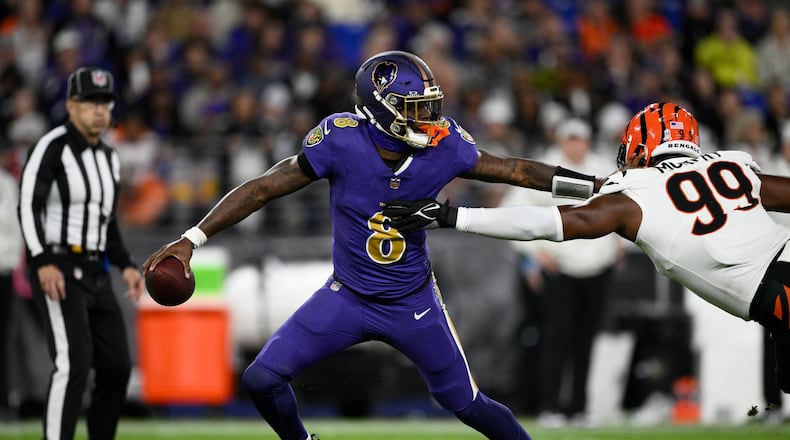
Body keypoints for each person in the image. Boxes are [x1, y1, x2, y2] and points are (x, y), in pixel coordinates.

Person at [144, 50, 607, 440]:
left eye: (429, 105)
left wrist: (593, 187)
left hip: (413, 301)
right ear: (379, 109)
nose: (427, 117)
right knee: (262, 379)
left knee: (466, 404)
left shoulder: (446, 145)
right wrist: (191, 238)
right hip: (348, 296)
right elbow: (265, 186)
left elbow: (516, 171)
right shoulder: (341, 140)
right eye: (414, 107)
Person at [383, 101, 790, 401]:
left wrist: (453, 217)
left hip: (776, 293)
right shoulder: (732, 166)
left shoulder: (634, 196)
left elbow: (549, 224)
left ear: (639, 145)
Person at [17, 67, 145, 440]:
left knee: (117, 367)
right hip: (58, 265)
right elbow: (28, 207)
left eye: (105, 102)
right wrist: (41, 261)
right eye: (90, 102)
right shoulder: (51, 147)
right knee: (73, 362)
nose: (99, 110)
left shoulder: (109, 157)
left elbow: (107, 222)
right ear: (71, 106)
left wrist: (124, 264)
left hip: (96, 269)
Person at [499, 118, 623, 427]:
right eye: (570, 139)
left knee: (586, 339)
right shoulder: (546, 168)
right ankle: (551, 406)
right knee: (555, 338)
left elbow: (625, 207)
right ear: (561, 141)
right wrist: (533, 254)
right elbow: (512, 210)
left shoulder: (602, 169)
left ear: (587, 141)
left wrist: (620, 243)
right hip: (559, 266)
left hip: (597, 266)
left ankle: (579, 407)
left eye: (579, 139)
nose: (575, 145)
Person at [0, 139, 24, 419]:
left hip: (4, 271)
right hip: (5, 267)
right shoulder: (8, 183)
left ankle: (4, 399)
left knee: (5, 337)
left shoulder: (8, 183)